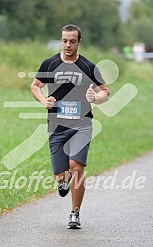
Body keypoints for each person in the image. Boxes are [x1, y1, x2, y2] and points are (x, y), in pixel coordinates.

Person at [31, 24, 110, 229]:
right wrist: (42, 101)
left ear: (79, 42)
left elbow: (105, 92)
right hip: (56, 126)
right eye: (65, 40)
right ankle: (62, 181)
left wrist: (96, 97)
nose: (68, 45)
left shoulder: (88, 67)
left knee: (77, 166)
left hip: (82, 124)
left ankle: (75, 213)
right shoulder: (50, 64)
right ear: (61, 40)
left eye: (72, 41)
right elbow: (35, 85)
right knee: (61, 175)